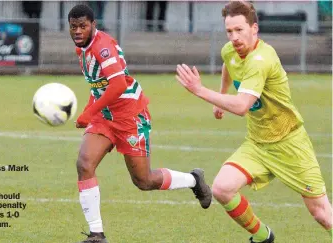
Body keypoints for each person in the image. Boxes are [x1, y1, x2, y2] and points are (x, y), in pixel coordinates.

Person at [175, 1, 332, 243]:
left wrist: (200, 90)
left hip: (289, 143)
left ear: (254, 28)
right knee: (222, 188)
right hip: (258, 143)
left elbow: (240, 107)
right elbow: (229, 65)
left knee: (321, 213)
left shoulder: (261, 60)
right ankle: (262, 237)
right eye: (230, 31)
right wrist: (221, 95)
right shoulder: (230, 50)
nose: (234, 37)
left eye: (240, 30)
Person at [68, 4, 212, 243]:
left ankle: (194, 180)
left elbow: (118, 86)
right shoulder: (81, 49)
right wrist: (89, 112)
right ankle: (97, 234)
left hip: (130, 116)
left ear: (94, 25)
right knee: (84, 163)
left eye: (83, 26)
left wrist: (88, 112)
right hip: (106, 116)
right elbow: (98, 85)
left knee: (144, 181)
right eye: (73, 27)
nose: (78, 31)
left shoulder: (102, 48)